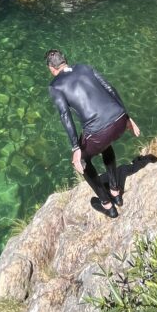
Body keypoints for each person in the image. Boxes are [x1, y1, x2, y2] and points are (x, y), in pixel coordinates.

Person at [46, 49, 140, 219]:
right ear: (65, 61)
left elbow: (65, 115)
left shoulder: (55, 86)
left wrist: (75, 147)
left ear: (51, 69)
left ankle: (107, 203)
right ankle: (115, 191)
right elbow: (110, 88)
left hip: (98, 133)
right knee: (105, 145)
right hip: (118, 120)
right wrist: (127, 117)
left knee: (81, 161)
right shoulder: (84, 67)